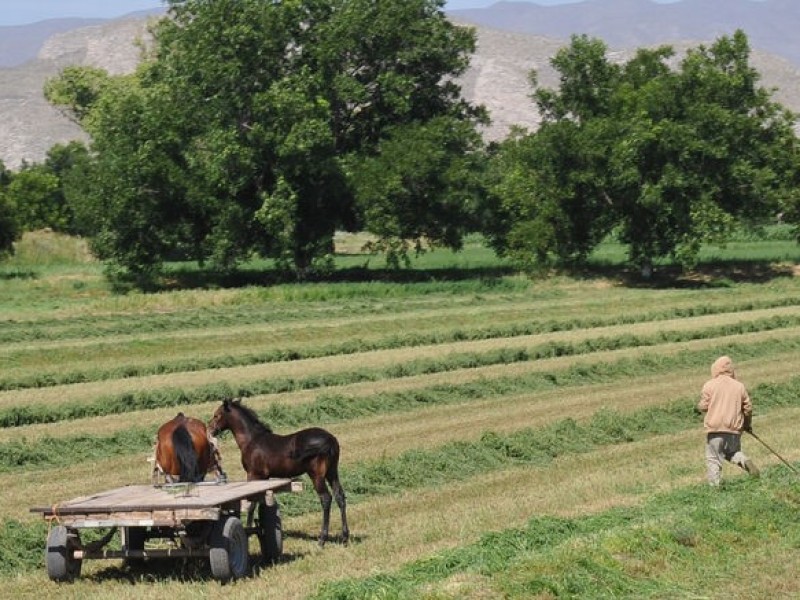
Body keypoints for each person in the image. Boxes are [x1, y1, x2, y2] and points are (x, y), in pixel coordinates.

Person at [697, 355, 759, 486]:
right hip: (734, 429)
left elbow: (703, 407)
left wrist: (700, 406)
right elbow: (748, 408)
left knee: (713, 458)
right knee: (732, 452)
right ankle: (744, 460)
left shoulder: (709, 385)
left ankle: (715, 486)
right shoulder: (739, 386)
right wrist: (747, 424)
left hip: (715, 429)